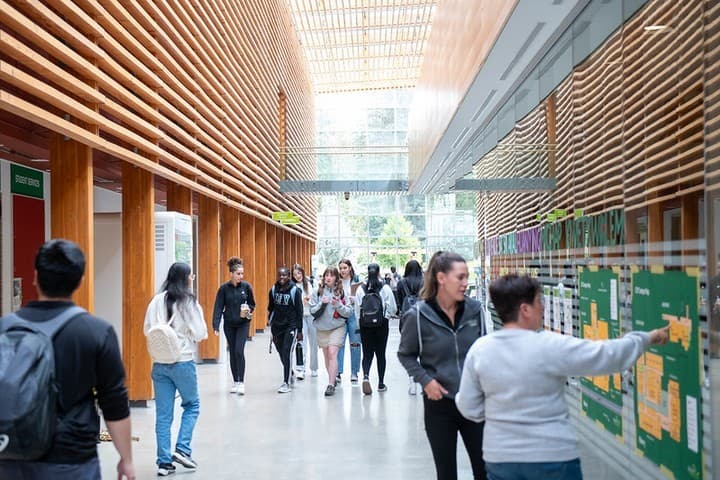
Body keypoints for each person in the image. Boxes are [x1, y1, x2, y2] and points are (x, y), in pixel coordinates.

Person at [456, 274, 670, 480]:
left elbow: (467, 406)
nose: (543, 307)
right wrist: (648, 338)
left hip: (501, 458)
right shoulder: (549, 345)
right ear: (525, 309)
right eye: (539, 301)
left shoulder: (480, 350)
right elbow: (606, 355)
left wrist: (501, 415)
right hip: (551, 458)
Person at [0, 239, 135, 479]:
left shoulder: (5, 328)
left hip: (11, 457)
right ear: (80, 281)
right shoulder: (96, 332)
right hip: (72, 461)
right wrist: (126, 458)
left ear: (35, 277)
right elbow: (114, 402)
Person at [398, 251, 486, 480]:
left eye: (467, 277)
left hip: (474, 402)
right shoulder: (418, 315)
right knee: (446, 473)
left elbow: (486, 352)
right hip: (439, 405)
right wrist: (425, 381)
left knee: (485, 470)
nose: (465, 283)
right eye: (460, 277)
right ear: (441, 278)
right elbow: (406, 354)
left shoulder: (475, 311)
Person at [144, 262, 208, 476]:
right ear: (185, 278)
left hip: (159, 363)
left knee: (163, 415)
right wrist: (185, 334)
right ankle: (182, 448)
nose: (192, 279)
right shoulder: (188, 302)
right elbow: (200, 333)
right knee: (192, 405)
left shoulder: (156, 301)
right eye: (191, 275)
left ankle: (163, 463)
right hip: (183, 362)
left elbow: (147, 329)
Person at [212, 257, 256, 395]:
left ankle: (241, 382)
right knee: (232, 352)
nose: (241, 276)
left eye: (242, 274)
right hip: (229, 324)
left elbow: (252, 304)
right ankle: (235, 381)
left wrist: (248, 309)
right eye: (238, 274)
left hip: (243, 324)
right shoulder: (223, 289)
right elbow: (218, 307)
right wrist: (216, 325)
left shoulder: (246, 287)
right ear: (231, 274)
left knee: (239, 351)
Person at [354, 263, 397, 395]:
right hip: (381, 324)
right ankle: (381, 383)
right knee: (380, 354)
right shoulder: (385, 288)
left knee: (367, 354)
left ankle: (366, 376)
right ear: (379, 273)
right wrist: (386, 317)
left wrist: (359, 324)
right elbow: (393, 308)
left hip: (365, 325)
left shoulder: (361, 289)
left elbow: (357, 310)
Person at [310, 266, 353, 396]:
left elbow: (349, 312)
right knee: (327, 356)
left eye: (331, 275)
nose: (328, 278)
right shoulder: (317, 292)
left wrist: (338, 305)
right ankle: (332, 379)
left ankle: (330, 384)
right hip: (322, 328)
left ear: (336, 278)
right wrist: (322, 304)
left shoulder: (341, 292)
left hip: (337, 327)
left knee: (332, 352)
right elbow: (312, 310)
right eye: (326, 275)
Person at [268, 267, 304, 393]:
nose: (282, 277)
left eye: (284, 275)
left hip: (291, 326)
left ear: (289, 276)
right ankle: (290, 373)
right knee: (281, 353)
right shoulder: (273, 290)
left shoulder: (295, 290)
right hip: (277, 326)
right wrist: (271, 324)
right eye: (280, 275)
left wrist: (299, 330)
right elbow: (271, 308)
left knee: (287, 351)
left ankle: (286, 382)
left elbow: (299, 311)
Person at [396, 259, 424, 394]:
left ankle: (412, 382)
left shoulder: (401, 283)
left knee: (410, 352)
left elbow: (399, 302)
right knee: (425, 350)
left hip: (407, 319)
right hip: (423, 318)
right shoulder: (424, 282)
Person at [337, 258, 362, 384]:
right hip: (340, 315)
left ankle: (354, 372)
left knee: (355, 344)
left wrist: (355, 299)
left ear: (350, 268)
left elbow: (363, 298)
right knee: (339, 344)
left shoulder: (357, 281)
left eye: (345, 268)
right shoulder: (337, 281)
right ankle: (338, 372)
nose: (343, 270)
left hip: (353, 315)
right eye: (341, 268)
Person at [293, 263, 318, 378]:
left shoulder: (311, 283)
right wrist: (300, 302)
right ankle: (301, 368)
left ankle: (314, 368)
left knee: (314, 343)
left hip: (312, 315)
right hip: (300, 316)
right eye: (295, 274)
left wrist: (310, 300)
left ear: (303, 272)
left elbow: (317, 298)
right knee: (301, 342)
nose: (297, 276)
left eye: (299, 273)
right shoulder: (293, 286)